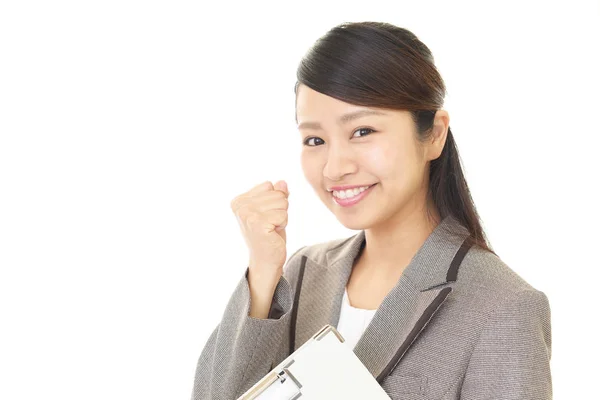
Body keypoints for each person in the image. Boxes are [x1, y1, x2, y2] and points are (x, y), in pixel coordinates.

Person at [191, 21, 552, 400]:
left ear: (435, 134)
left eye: (362, 131)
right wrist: (263, 271)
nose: (334, 167)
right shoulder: (302, 273)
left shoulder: (503, 307)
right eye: (315, 139)